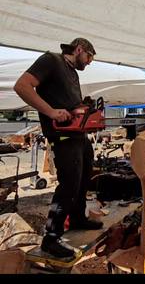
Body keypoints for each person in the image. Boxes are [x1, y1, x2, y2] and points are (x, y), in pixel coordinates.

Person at [14, 38, 103, 258]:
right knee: (69, 185)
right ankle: (51, 238)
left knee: (84, 179)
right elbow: (22, 86)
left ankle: (78, 218)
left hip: (78, 136)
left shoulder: (72, 73)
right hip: (62, 137)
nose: (90, 62)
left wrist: (83, 107)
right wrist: (51, 112)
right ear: (79, 49)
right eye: (89, 56)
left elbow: (69, 104)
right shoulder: (50, 60)